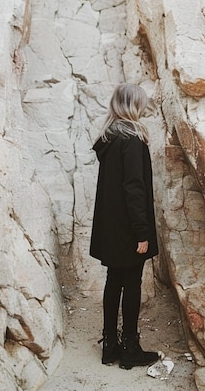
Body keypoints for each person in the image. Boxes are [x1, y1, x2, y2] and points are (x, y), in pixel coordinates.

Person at [89, 84, 159, 370]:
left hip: (111, 226)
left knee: (113, 281)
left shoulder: (109, 138)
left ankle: (109, 346)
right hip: (130, 227)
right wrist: (142, 232)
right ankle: (130, 347)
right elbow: (134, 187)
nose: (144, 108)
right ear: (132, 105)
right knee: (131, 284)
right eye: (141, 103)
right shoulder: (132, 140)